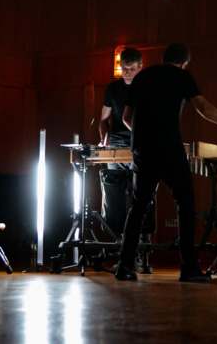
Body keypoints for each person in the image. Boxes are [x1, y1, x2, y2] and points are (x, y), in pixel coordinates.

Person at [115, 43, 217, 282]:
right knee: (186, 203)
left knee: (138, 206)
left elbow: (127, 117)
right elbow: (202, 108)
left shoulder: (143, 76)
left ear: (163, 58)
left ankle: (123, 266)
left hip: (142, 150)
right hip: (168, 148)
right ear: (185, 63)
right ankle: (188, 267)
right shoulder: (182, 76)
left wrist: (142, 135)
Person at [98, 48, 155, 271]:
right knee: (113, 195)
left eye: (132, 69)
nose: (128, 73)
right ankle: (120, 252)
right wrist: (104, 137)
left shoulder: (148, 88)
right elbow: (104, 119)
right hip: (117, 143)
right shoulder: (113, 89)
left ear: (141, 67)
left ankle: (142, 255)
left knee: (143, 195)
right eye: (124, 69)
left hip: (141, 142)